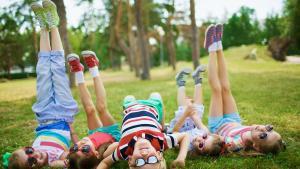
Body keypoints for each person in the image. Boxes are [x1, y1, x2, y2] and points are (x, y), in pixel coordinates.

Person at [6, 1, 79, 168]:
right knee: (58, 68)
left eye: (29, 152)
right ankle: (52, 24)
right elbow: (70, 160)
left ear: (27, 147)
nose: (34, 155)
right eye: (32, 161)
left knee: (44, 70)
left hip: (44, 113)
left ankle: (43, 26)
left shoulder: (35, 148)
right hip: (63, 113)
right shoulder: (54, 160)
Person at [205, 24, 286, 155]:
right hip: (234, 121)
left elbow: (219, 142)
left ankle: (211, 49)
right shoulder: (256, 132)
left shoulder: (236, 145)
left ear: (257, 147)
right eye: (269, 128)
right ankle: (218, 46)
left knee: (217, 90)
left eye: (263, 136)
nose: (262, 130)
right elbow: (260, 132)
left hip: (218, 125)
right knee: (226, 88)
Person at [97, 92, 190, 169]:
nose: (145, 154)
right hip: (152, 106)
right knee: (156, 95)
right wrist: (181, 158)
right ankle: (162, 126)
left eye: (140, 162)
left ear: (130, 160)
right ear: (159, 155)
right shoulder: (161, 141)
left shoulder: (124, 149)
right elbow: (185, 136)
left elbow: (105, 162)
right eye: (152, 159)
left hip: (130, 107)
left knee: (128, 97)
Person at [66, 51, 121, 169]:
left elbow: (75, 141)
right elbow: (118, 145)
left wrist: (71, 129)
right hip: (110, 133)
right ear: (96, 154)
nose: (81, 144)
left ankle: (78, 71)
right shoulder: (105, 153)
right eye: (85, 149)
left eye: (75, 148)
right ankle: (93, 66)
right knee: (101, 108)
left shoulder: (81, 146)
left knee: (89, 109)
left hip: (94, 132)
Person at [168, 66, 223, 156]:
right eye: (205, 137)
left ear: (201, 153)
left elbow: (175, 132)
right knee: (199, 109)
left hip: (178, 126)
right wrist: (191, 107)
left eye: (201, 145)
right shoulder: (205, 132)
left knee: (183, 110)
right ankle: (198, 80)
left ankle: (180, 82)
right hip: (191, 124)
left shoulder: (187, 148)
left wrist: (186, 113)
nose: (200, 139)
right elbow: (196, 118)